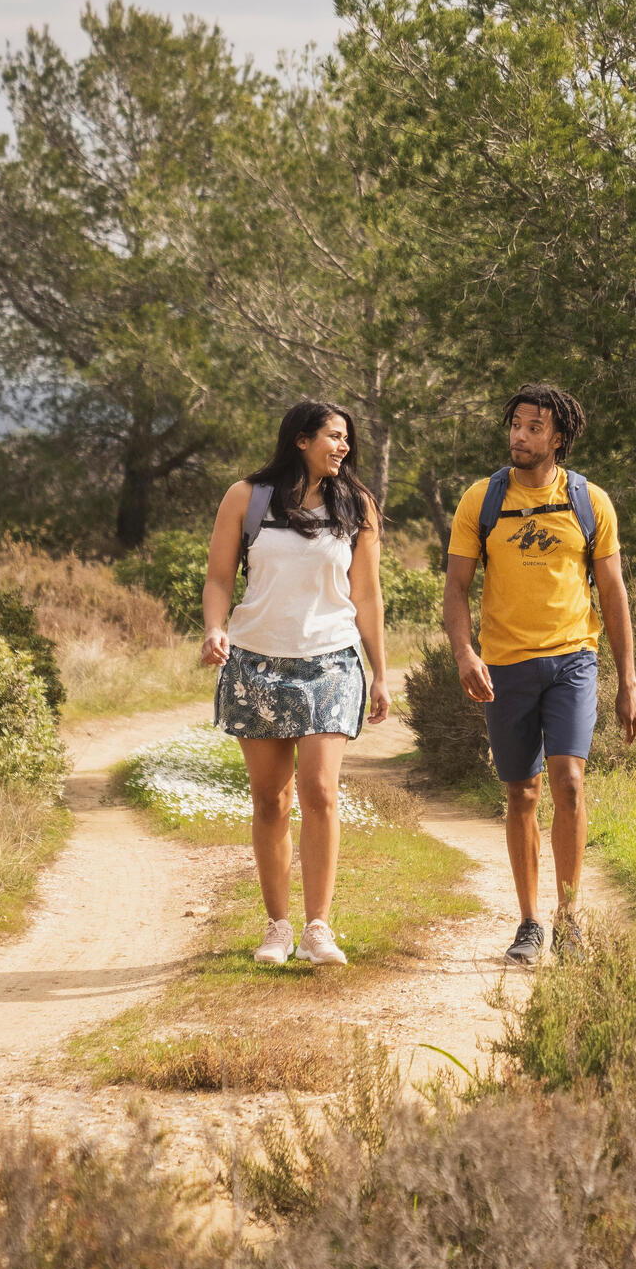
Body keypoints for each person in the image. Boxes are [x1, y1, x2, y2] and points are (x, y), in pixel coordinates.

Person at [442, 382, 636, 963]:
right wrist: (464, 653)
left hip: (574, 659)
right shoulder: (481, 500)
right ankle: (529, 922)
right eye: (516, 425)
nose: (520, 436)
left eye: (534, 427)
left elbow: (612, 591)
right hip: (504, 665)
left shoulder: (589, 501)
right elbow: (456, 588)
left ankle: (570, 916)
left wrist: (628, 681)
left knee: (570, 782)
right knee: (521, 791)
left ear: (559, 437)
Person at [201, 401, 392, 968]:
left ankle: (318, 927)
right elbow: (217, 577)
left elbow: (366, 595)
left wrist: (381, 670)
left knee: (319, 791)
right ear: (302, 439)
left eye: (347, 439)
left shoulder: (357, 505)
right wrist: (215, 628)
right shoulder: (247, 497)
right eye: (335, 436)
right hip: (256, 662)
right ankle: (277, 928)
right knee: (270, 800)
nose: (344, 447)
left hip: (330, 661)